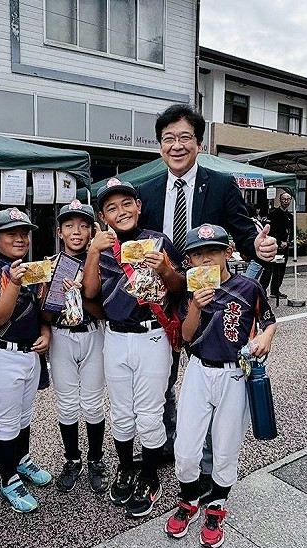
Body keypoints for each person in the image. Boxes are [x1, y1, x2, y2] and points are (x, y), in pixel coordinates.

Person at [137, 103, 277, 464]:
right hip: (161, 296)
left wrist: (260, 247)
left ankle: (210, 459)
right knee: (162, 376)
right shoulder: (146, 191)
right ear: (159, 145)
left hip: (211, 298)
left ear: (199, 143)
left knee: (213, 373)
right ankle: (167, 441)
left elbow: (245, 235)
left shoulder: (221, 185)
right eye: (169, 138)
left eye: (185, 137)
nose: (177, 145)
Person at [164, 224, 276, 546]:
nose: (206, 259)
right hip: (199, 371)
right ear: (189, 260)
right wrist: (196, 307)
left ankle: (216, 506)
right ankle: (189, 500)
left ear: (228, 252)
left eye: (213, 251)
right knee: (186, 450)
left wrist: (266, 337)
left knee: (226, 448)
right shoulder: (191, 288)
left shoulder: (248, 287)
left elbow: (268, 322)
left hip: (235, 374)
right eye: (197, 254)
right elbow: (186, 336)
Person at [82, 178, 185, 519]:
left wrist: (165, 269)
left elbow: (180, 288)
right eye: (111, 208)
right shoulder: (101, 246)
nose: (121, 211)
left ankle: (150, 476)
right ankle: (126, 467)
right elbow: (90, 293)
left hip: (152, 336)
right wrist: (93, 251)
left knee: (150, 413)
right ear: (103, 216)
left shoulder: (158, 241)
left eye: (127, 203)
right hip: (114, 336)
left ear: (139, 206)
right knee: (122, 412)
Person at [0, 207, 53, 513]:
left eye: (24, 233)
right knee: (7, 422)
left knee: (23, 418)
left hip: (29, 354)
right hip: (2, 354)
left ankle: (21, 461)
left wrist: (45, 332)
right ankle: (8, 480)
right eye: (11, 234)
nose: (20, 239)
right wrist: (14, 283)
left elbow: (40, 313)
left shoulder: (32, 269)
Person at [47, 200, 109, 494]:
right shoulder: (49, 265)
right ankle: (72, 459)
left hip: (93, 333)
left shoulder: (101, 262)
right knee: (67, 404)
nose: (76, 231)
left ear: (92, 231)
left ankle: (96, 458)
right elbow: (45, 314)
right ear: (59, 232)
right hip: (61, 336)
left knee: (94, 403)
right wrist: (50, 292)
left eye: (83, 226)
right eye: (69, 225)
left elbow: (104, 312)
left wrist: (81, 296)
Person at [260, 192, 293, 298]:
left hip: (285, 246)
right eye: (284, 199)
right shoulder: (273, 214)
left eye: (288, 199)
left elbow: (291, 231)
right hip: (273, 245)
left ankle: (275, 290)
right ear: (280, 200)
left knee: (280, 270)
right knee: (268, 269)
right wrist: (279, 242)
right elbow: (270, 231)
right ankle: (261, 291)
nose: (286, 201)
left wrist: (288, 241)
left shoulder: (290, 216)